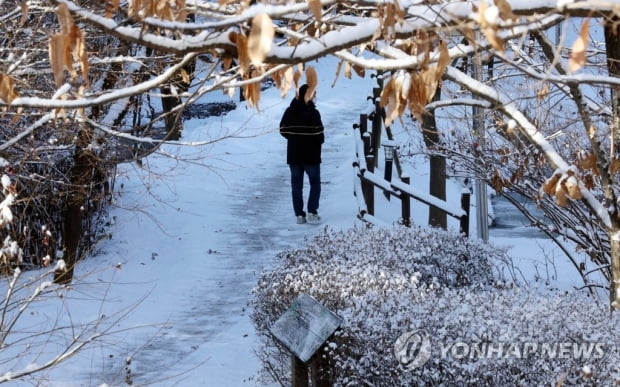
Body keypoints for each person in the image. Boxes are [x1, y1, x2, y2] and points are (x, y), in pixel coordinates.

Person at [279, 84, 324, 224]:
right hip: (312, 155)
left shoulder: (289, 111)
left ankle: (299, 215)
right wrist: (317, 141)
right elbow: (319, 134)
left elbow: (282, 129)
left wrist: (293, 139)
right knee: (315, 183)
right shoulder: (314, 113)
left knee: (296, 186)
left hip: (294, 155)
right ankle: (312, 211)